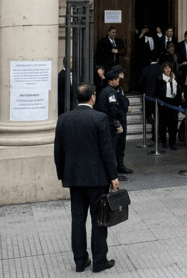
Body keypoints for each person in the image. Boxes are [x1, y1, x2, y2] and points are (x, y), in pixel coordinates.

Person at [54, 84, 120, 273]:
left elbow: (58, 151)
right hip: (97, 178)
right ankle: (99, 261)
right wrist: (113, 176)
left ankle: (80, 261)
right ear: (92, 97)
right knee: (99, 220)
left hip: (74, 178)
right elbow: (107, 151)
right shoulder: (99, 118)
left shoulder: (64, 119)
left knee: (77, 220)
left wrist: (62, 175)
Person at [95, 71, 125, 163]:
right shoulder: (111, 92)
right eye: (116, 80)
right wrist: (118, 123)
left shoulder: (106, 90)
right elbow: (113, 109)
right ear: (111, 81)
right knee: (112, 147)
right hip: (110, 122)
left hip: (106, 121)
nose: (118, 81)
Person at [155, 61, 181, 151]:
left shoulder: (175, 78)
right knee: (163, 124)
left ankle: (172, 143)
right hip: (164, 104)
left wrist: (179, 103)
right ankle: (163, 142)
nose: (168, 69)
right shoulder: (159, 79)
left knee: (173, 124)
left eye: (169, 68)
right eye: (166, 68)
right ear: (163, 69)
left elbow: (178, 91)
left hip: (173, 103)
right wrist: (160, 103)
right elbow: (157, 92)